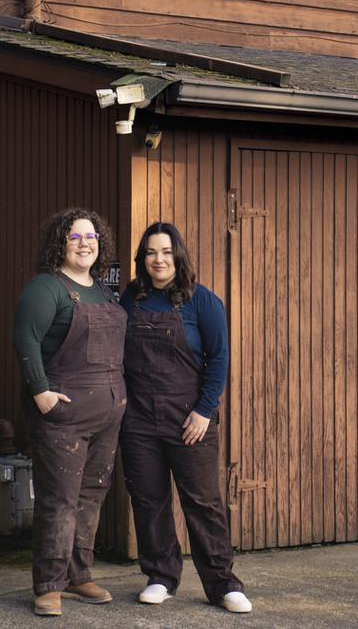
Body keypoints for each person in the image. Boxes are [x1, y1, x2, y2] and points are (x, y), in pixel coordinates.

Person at [118, 222, 251, 614]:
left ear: (178, 254)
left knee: (203, 502)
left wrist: (204, 411)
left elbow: (219, 359)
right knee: (148, 500)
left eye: (165, 251)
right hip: (139, 420)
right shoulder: (132, 298)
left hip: (189, 419)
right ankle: (160, 576)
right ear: (142, 259)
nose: (158, 260)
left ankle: (223, 583)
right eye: (150, 253)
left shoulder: (202, 302)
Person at [12, 207, 127, 617]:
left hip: (107, 415)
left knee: (90, 497)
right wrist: (41, 392)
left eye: (91, 237)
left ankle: (79, 576)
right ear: (59, 242)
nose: (84, 243)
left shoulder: (104, 291)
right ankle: (48, 585)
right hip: (64, 416)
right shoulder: (48, 288)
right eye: (75, 236)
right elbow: (26, 338)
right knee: (58, 500)